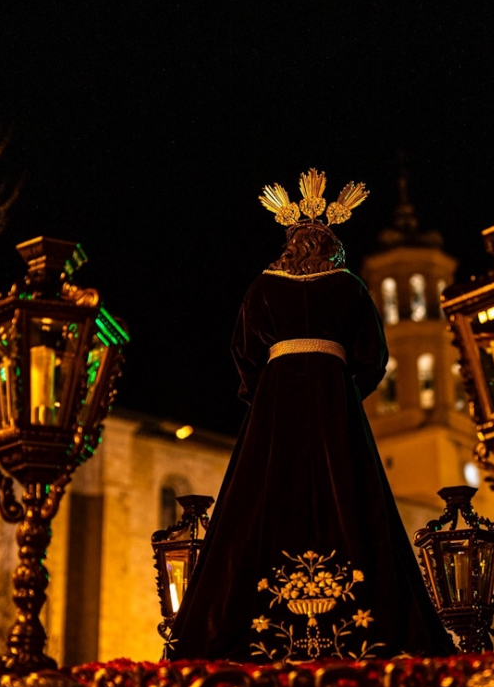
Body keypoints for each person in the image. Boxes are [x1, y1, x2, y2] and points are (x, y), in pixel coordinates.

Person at [168, 171, 455, 662]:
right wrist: (340, 389)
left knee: (256, 504)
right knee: (354, 499)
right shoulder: (349, 287)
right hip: (335, 409)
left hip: (275, 414)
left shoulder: (262, 287)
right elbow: (373, 357)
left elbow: (244, 354)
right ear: (329, 245)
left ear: (292, 243)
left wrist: (268, 396)